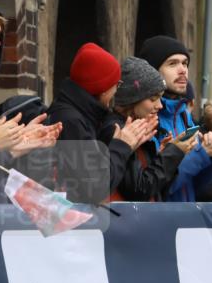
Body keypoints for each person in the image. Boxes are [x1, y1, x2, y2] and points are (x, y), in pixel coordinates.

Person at [46, 43, 155, 203]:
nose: (116, 91)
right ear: (103, 88)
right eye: (116, 84)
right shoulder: (72, 121)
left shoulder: (81, 114)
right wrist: (122, 146)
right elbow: (96, 188)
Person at [137, 35, 212, 201]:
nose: (182, 70)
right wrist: (202, 155)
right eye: (172, 63)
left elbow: (197, 185)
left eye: (185, 63)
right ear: (152, 71)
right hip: (159, 219)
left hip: (186, 217)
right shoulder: (146, 117)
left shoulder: (185, 117)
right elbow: (163, 188)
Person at [100, 57, 197, 201]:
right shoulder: (117, 130)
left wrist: (161, 154)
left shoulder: (136, 125)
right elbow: (140, 189)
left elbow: (151, 184)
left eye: (160, 98)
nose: (160, 105)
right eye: (153, 98)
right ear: (132, 99)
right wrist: (173, 153)